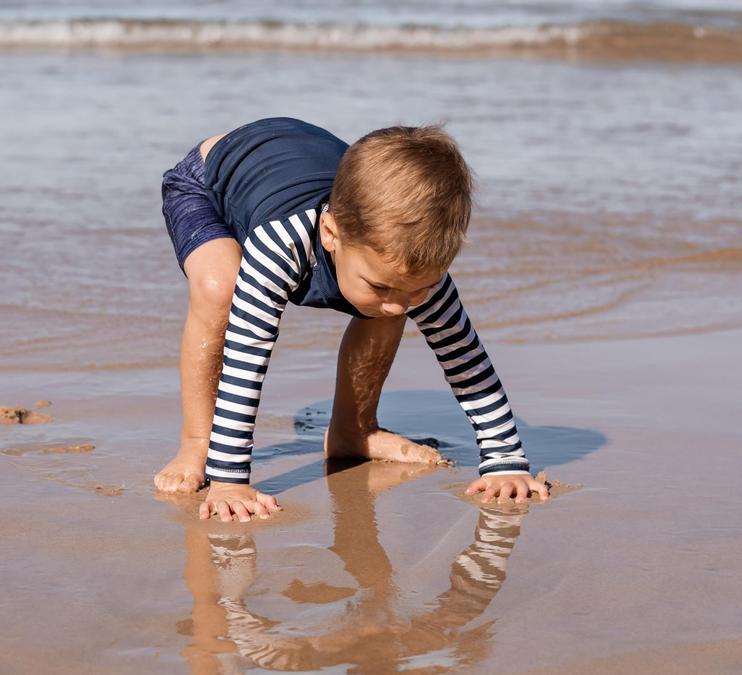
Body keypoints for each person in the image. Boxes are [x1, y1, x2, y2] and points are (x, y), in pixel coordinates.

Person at [153, 117, 550, 522]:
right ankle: (198, 441)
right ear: (330, 233)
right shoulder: (281, 245)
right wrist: (229, 481)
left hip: (306, 171)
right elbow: (247, 356)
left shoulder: (406, 267)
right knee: (221, 288)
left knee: (386, 305)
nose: (400, 306)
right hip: (209, 183)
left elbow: (466, 361)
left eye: (417, 289)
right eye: (379, 285)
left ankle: (353, 430)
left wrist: (505, 461)